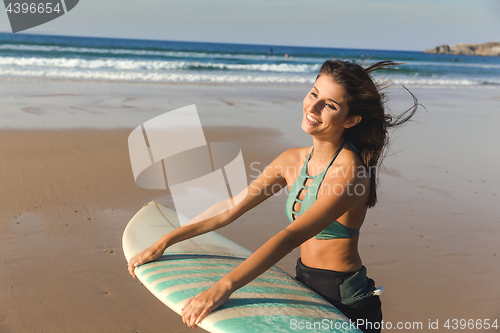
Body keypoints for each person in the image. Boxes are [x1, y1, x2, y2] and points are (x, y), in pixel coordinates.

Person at [128, 59, 418, 332]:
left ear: (351, 120)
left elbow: (290, 237)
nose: (313, 107)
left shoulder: (348, 173)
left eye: (328, 105)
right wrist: (167, 240)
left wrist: (223, 287)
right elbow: (231, 207)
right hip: (303, 284)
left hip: (346, 301)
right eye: (313, 94)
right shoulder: (292, 160)